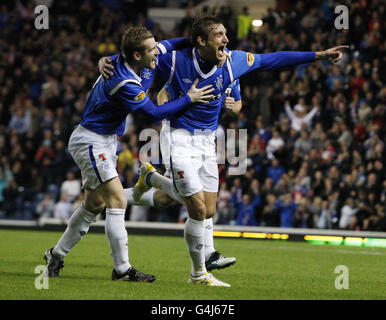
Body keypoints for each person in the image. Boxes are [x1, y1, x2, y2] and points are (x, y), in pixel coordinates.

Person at [131, 15, 347, 287]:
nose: (226, 40)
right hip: (179, 137)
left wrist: (318, 55)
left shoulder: (233, 61)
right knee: (196, 208)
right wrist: (111, 61)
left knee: (207, 210)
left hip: (208, 142)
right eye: (219, 35)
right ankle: (198, 274)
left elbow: (274, 59)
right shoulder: (176, 59)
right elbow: (138, 55)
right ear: (201, 41)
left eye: (225, 34)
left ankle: (151, 179)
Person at [43, 26, 215, 282]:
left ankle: (56, 255)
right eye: (151, 49)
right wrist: (189, 98)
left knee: (94, 204)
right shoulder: (123, 80)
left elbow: (176, 42)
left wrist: (201, 42)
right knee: (116, 202)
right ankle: (122, 269)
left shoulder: (132, 59)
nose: (157, 50)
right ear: (137, 55)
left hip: (106, 140)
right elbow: (155, 113)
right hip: (91, 141)